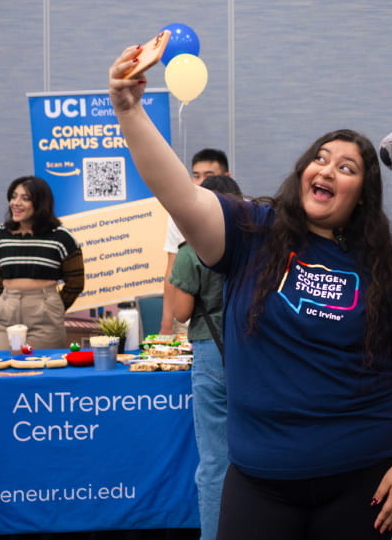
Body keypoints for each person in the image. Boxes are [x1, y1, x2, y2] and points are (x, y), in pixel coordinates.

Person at [110, 45, 392, 539]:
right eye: (321, 159)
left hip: (358, 475)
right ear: (303, 172)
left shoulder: (391, 269)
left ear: (362, 194)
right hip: (259, 478)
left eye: (347, 168)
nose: (328, 170)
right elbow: (178, 192)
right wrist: (128, 110)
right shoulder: (252, 233)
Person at [168, 175, 243, 540]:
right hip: (255, 351)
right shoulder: (256, 245)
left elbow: (181, 312)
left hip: (212, 354)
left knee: (215, 461)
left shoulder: (190, 251)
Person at [0, 176, 84, 350]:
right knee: (4, 371)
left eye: (25, 199)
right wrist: (9, 300)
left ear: (40, 204)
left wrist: (53, 307)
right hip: (6, 312)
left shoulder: (61, 237)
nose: (16, 203)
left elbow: (76, 283)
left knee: (42, 369)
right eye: (13, 196)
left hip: (44, 314)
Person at [160, 148, 232, 335]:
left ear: (226, 177)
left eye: (209, 176)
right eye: (196, 176)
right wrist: (166, 325)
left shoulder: (245, 211)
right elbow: (171, 272)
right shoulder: (180, 216)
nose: (202, 182)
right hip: (196, 322)